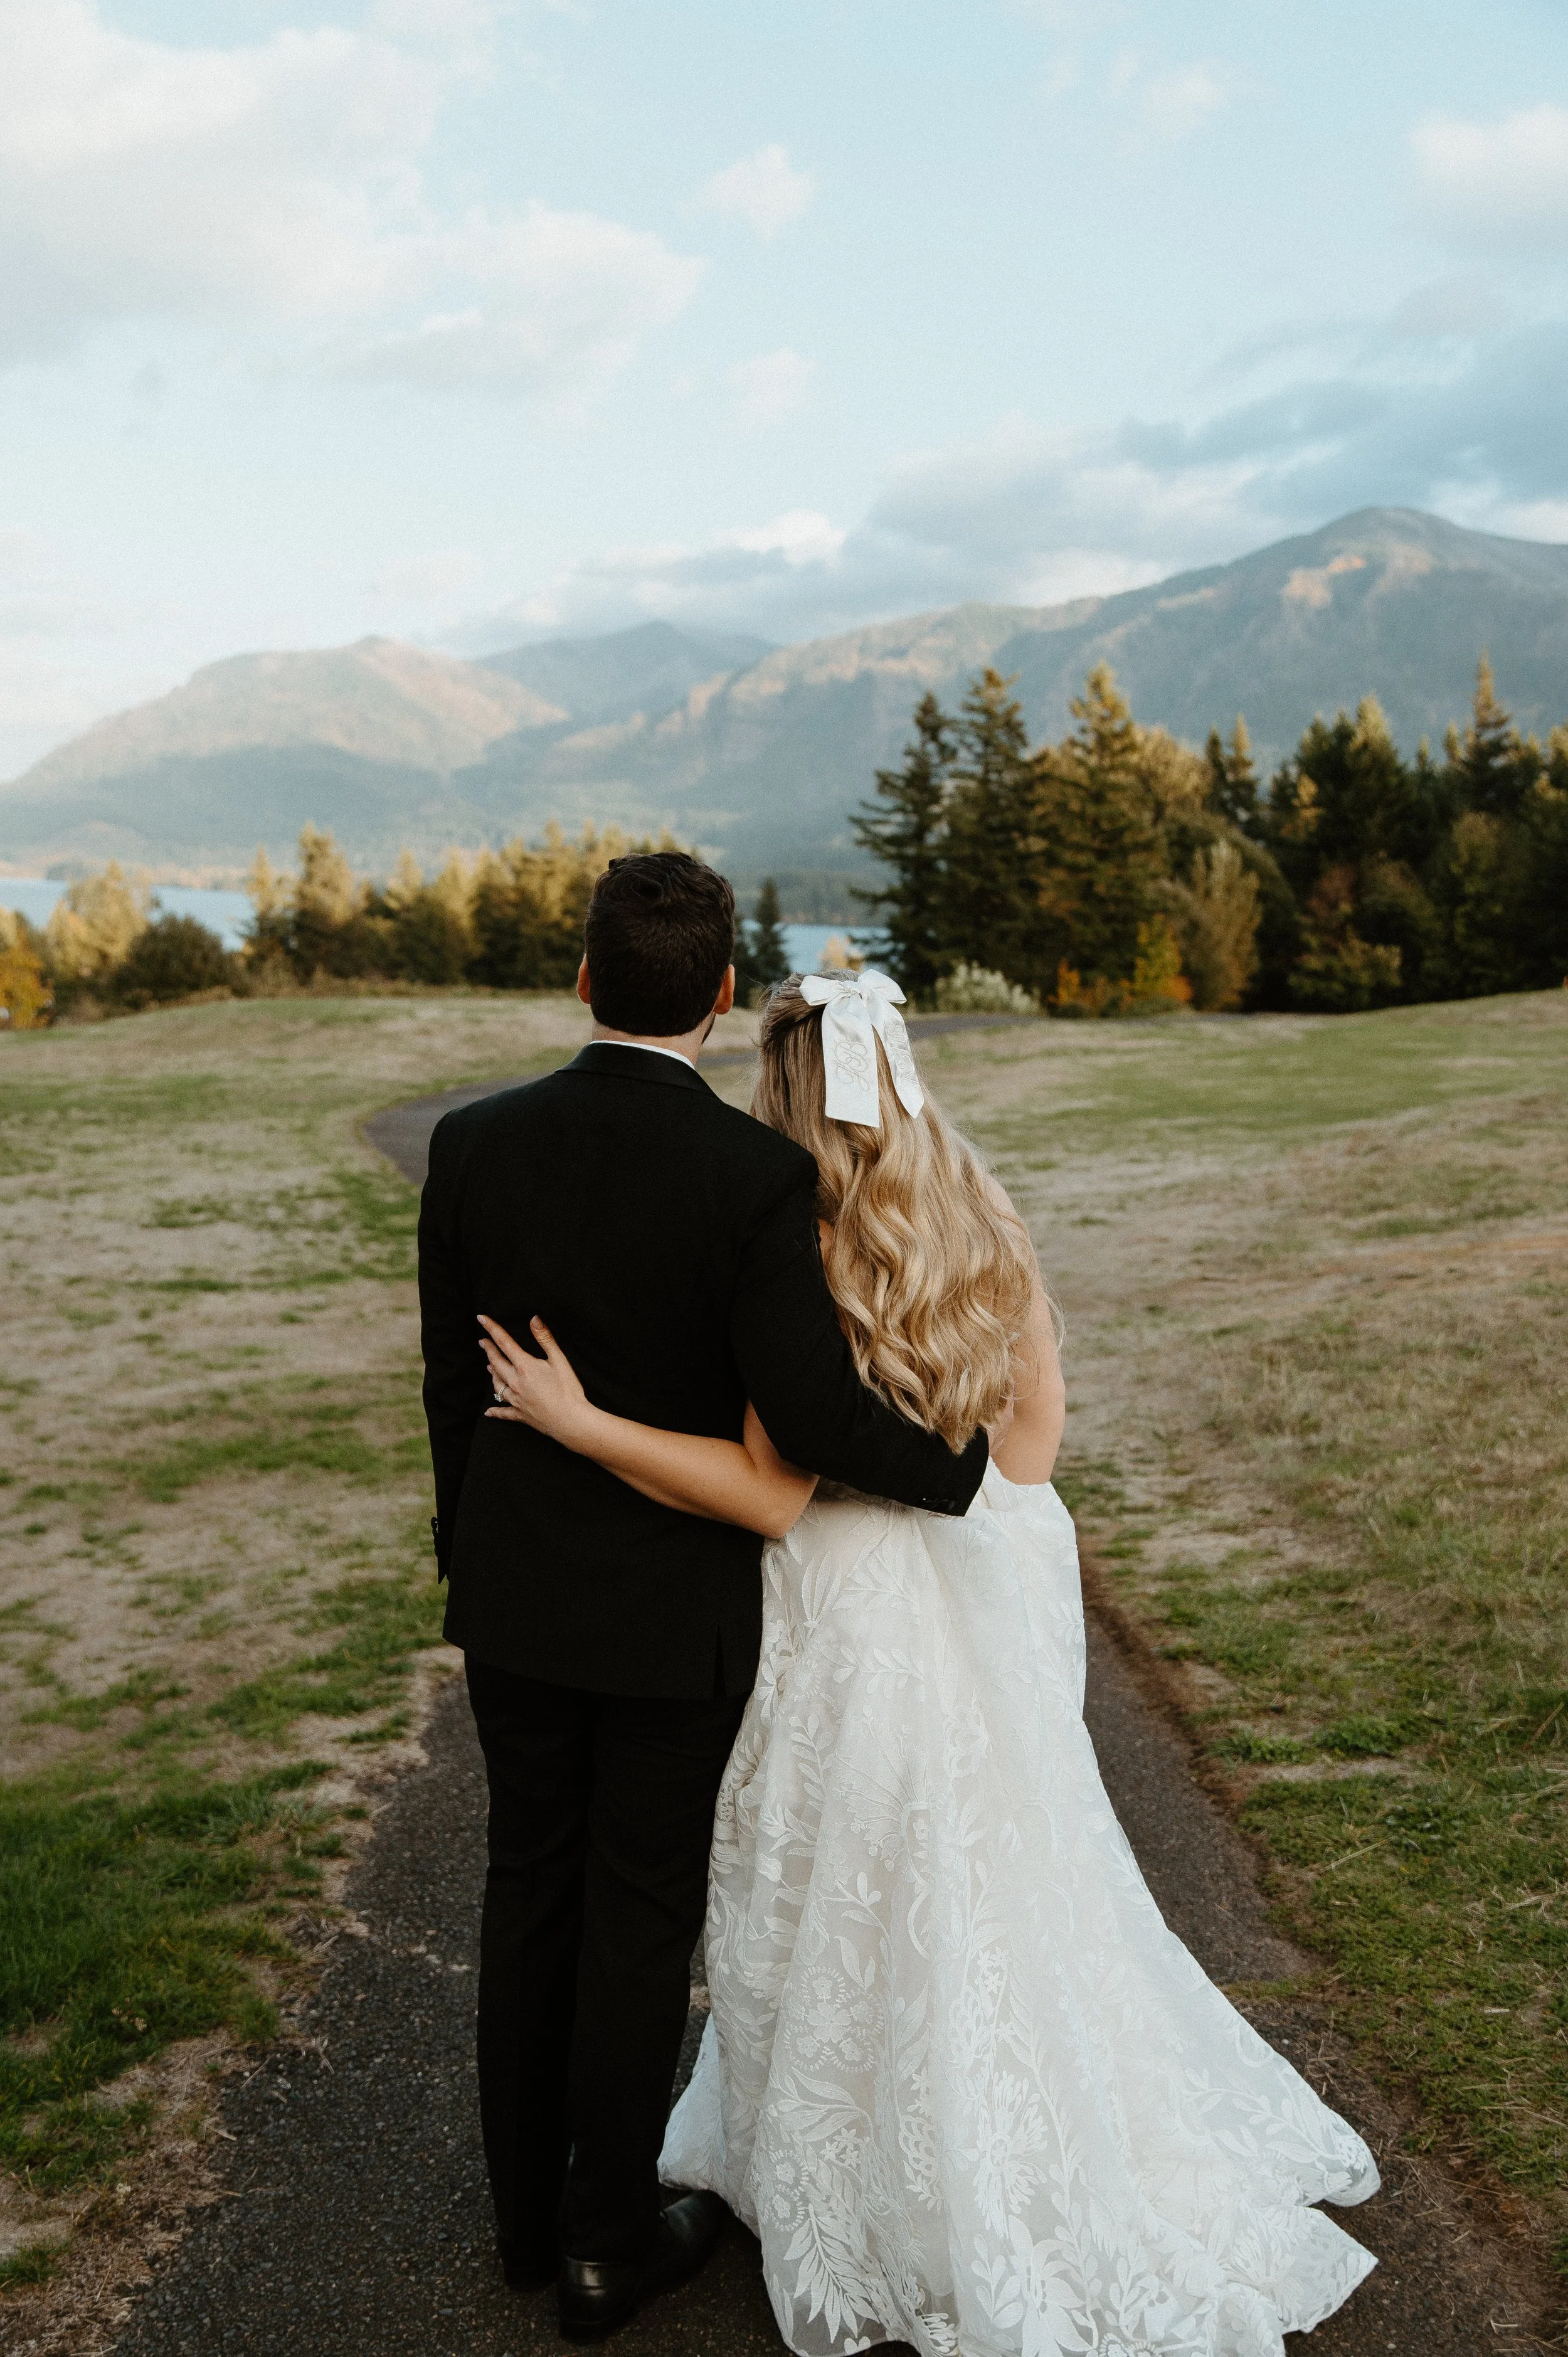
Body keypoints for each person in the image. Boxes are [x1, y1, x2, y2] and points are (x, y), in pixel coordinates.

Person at [479, 965, 1382, 2357]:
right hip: (977, 1573)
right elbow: (1028, 1446)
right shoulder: (978, 1211)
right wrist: (990, 1541)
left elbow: (766, 1482)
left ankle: (847, 2169)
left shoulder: (776, 1231)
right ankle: (997, 2136)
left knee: (830, 1875)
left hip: (834, 1595)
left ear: (778, 1086)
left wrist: (578, 1425)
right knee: (988, 1869)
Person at [416, 855, 989, 2345]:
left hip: (518, 1597)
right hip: (673, 1617)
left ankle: (519, 2226)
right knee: (637, 1912)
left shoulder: (472, 1147)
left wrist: (463, 1555)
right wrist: (957, 1473)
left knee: (526, 1886)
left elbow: (446, 1387)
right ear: (723, 997)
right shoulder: (752, 1179)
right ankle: (606, 2239)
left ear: (585, 977)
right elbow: (805, 1415)